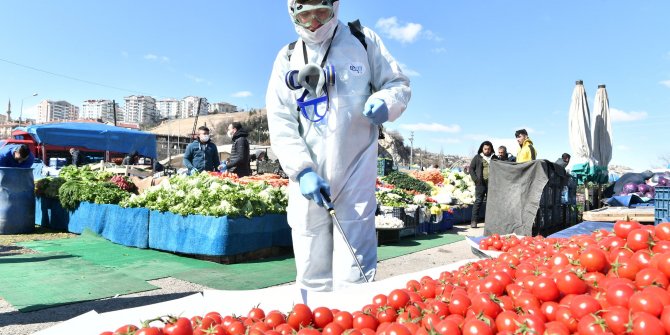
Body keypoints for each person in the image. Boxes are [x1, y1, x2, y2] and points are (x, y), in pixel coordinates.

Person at [266, 0, 411, 293]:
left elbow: (398, 84)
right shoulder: (288, 56)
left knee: (355, 267)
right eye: (305, 16)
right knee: (310, 262)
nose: (315, 23)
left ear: (336, 6)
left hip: (355, 169)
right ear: (292, 13)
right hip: (310, 179)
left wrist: (387, 101)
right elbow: (280, 119)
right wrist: (301, 169)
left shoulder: (362, 41)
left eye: (322, 13)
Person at [468, 141, 498, 228]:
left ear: (491, 149)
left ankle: (490, 222)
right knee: (478, 202)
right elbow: (471, 169)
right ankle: (474, 221)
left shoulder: (495, 158)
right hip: (480, 184)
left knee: (491, 203)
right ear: (482, 149)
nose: (487, 150)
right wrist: (476, 180)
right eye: (485, 149)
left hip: (492, 184)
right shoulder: (477, 157)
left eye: (489, 149)